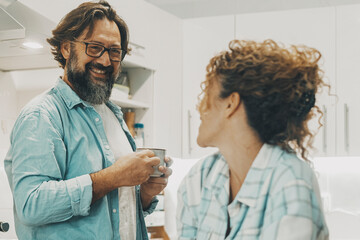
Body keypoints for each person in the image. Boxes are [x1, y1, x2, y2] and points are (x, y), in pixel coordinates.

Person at [4, 1, 172, 239]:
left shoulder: (113, 114)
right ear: (66, 48)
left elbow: (113, 213)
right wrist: (112, 177)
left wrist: (144, 194)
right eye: (94, 47)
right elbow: (31, 205)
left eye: (114, 51)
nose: (105, 61)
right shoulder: (42, 115)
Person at [176, 39, 329, 239]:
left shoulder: (290, 181)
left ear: (231, 104)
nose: (200, 108)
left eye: (207, 95)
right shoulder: (200, 178)